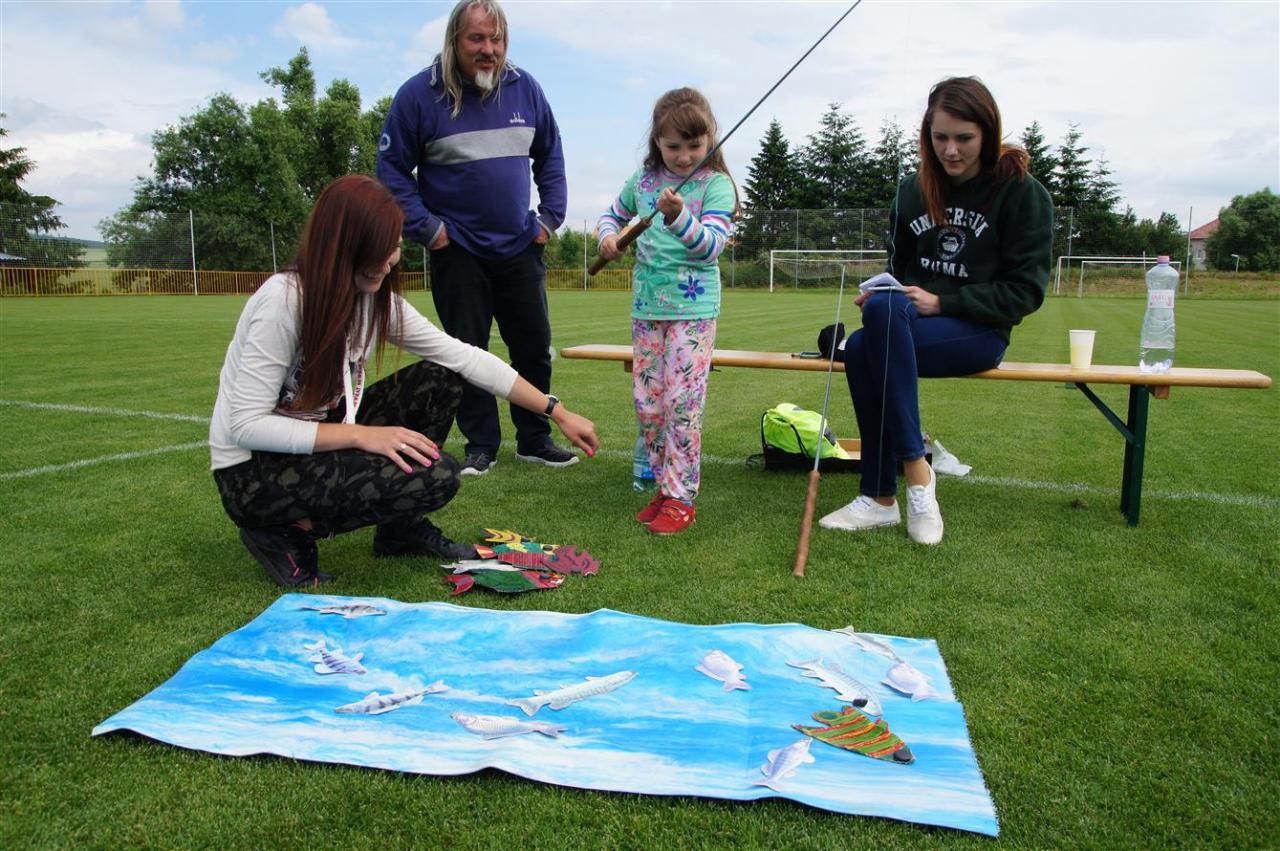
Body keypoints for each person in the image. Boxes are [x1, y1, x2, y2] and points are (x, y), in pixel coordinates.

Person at [209, 175, 598, 588]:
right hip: (251, 474)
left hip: (313, 442)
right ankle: (281, 530)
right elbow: (245, 425)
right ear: (339, 247)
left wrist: (556, 411)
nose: (388, 261)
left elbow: (466, 357)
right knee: (437, 475)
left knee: (441, 377)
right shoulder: (284, 301)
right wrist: (362, 436)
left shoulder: (374, 302)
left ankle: (399, 530)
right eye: (376, 249)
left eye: (394, 246)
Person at [818, 76, 1052, 545]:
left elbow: (1025, 292)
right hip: (908, 326)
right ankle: (897, 490)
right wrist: (884, 293)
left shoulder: (1022, 194)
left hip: (979, 331)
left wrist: (944, 301)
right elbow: (900, 272)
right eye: (939, 137)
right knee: (871, 329)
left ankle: (894, 486)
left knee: (863, 347)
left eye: (964, 138)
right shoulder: (912, 190)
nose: (950, 150)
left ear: (988, 133)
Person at [376, 0, 572, 478]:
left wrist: (549, 219)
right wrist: (430, 230)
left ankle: (535, 440)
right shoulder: (418, 96)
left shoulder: (526, 87)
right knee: (466, 350)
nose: (489, 49)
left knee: (533, 346)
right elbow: (392, 171)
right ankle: (481, 445)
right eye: (477, 39)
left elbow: (551, 155)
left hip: (520, 245)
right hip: (458, 250)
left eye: (496, 39)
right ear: (454, 41)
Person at [597, 88, 737, 535]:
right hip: (646, 310)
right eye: (673, 146)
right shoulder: (642, 182)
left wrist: (678, 217)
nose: (684, 156)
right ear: (656, 141)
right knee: (649, 405)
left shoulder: (716, 185)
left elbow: (711, 247)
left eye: (694, 145)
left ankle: (681, 497)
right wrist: (608, 238)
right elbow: (611, 215)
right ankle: (663, 486)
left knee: (682, 404)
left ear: (710, 138)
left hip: (693, 312)